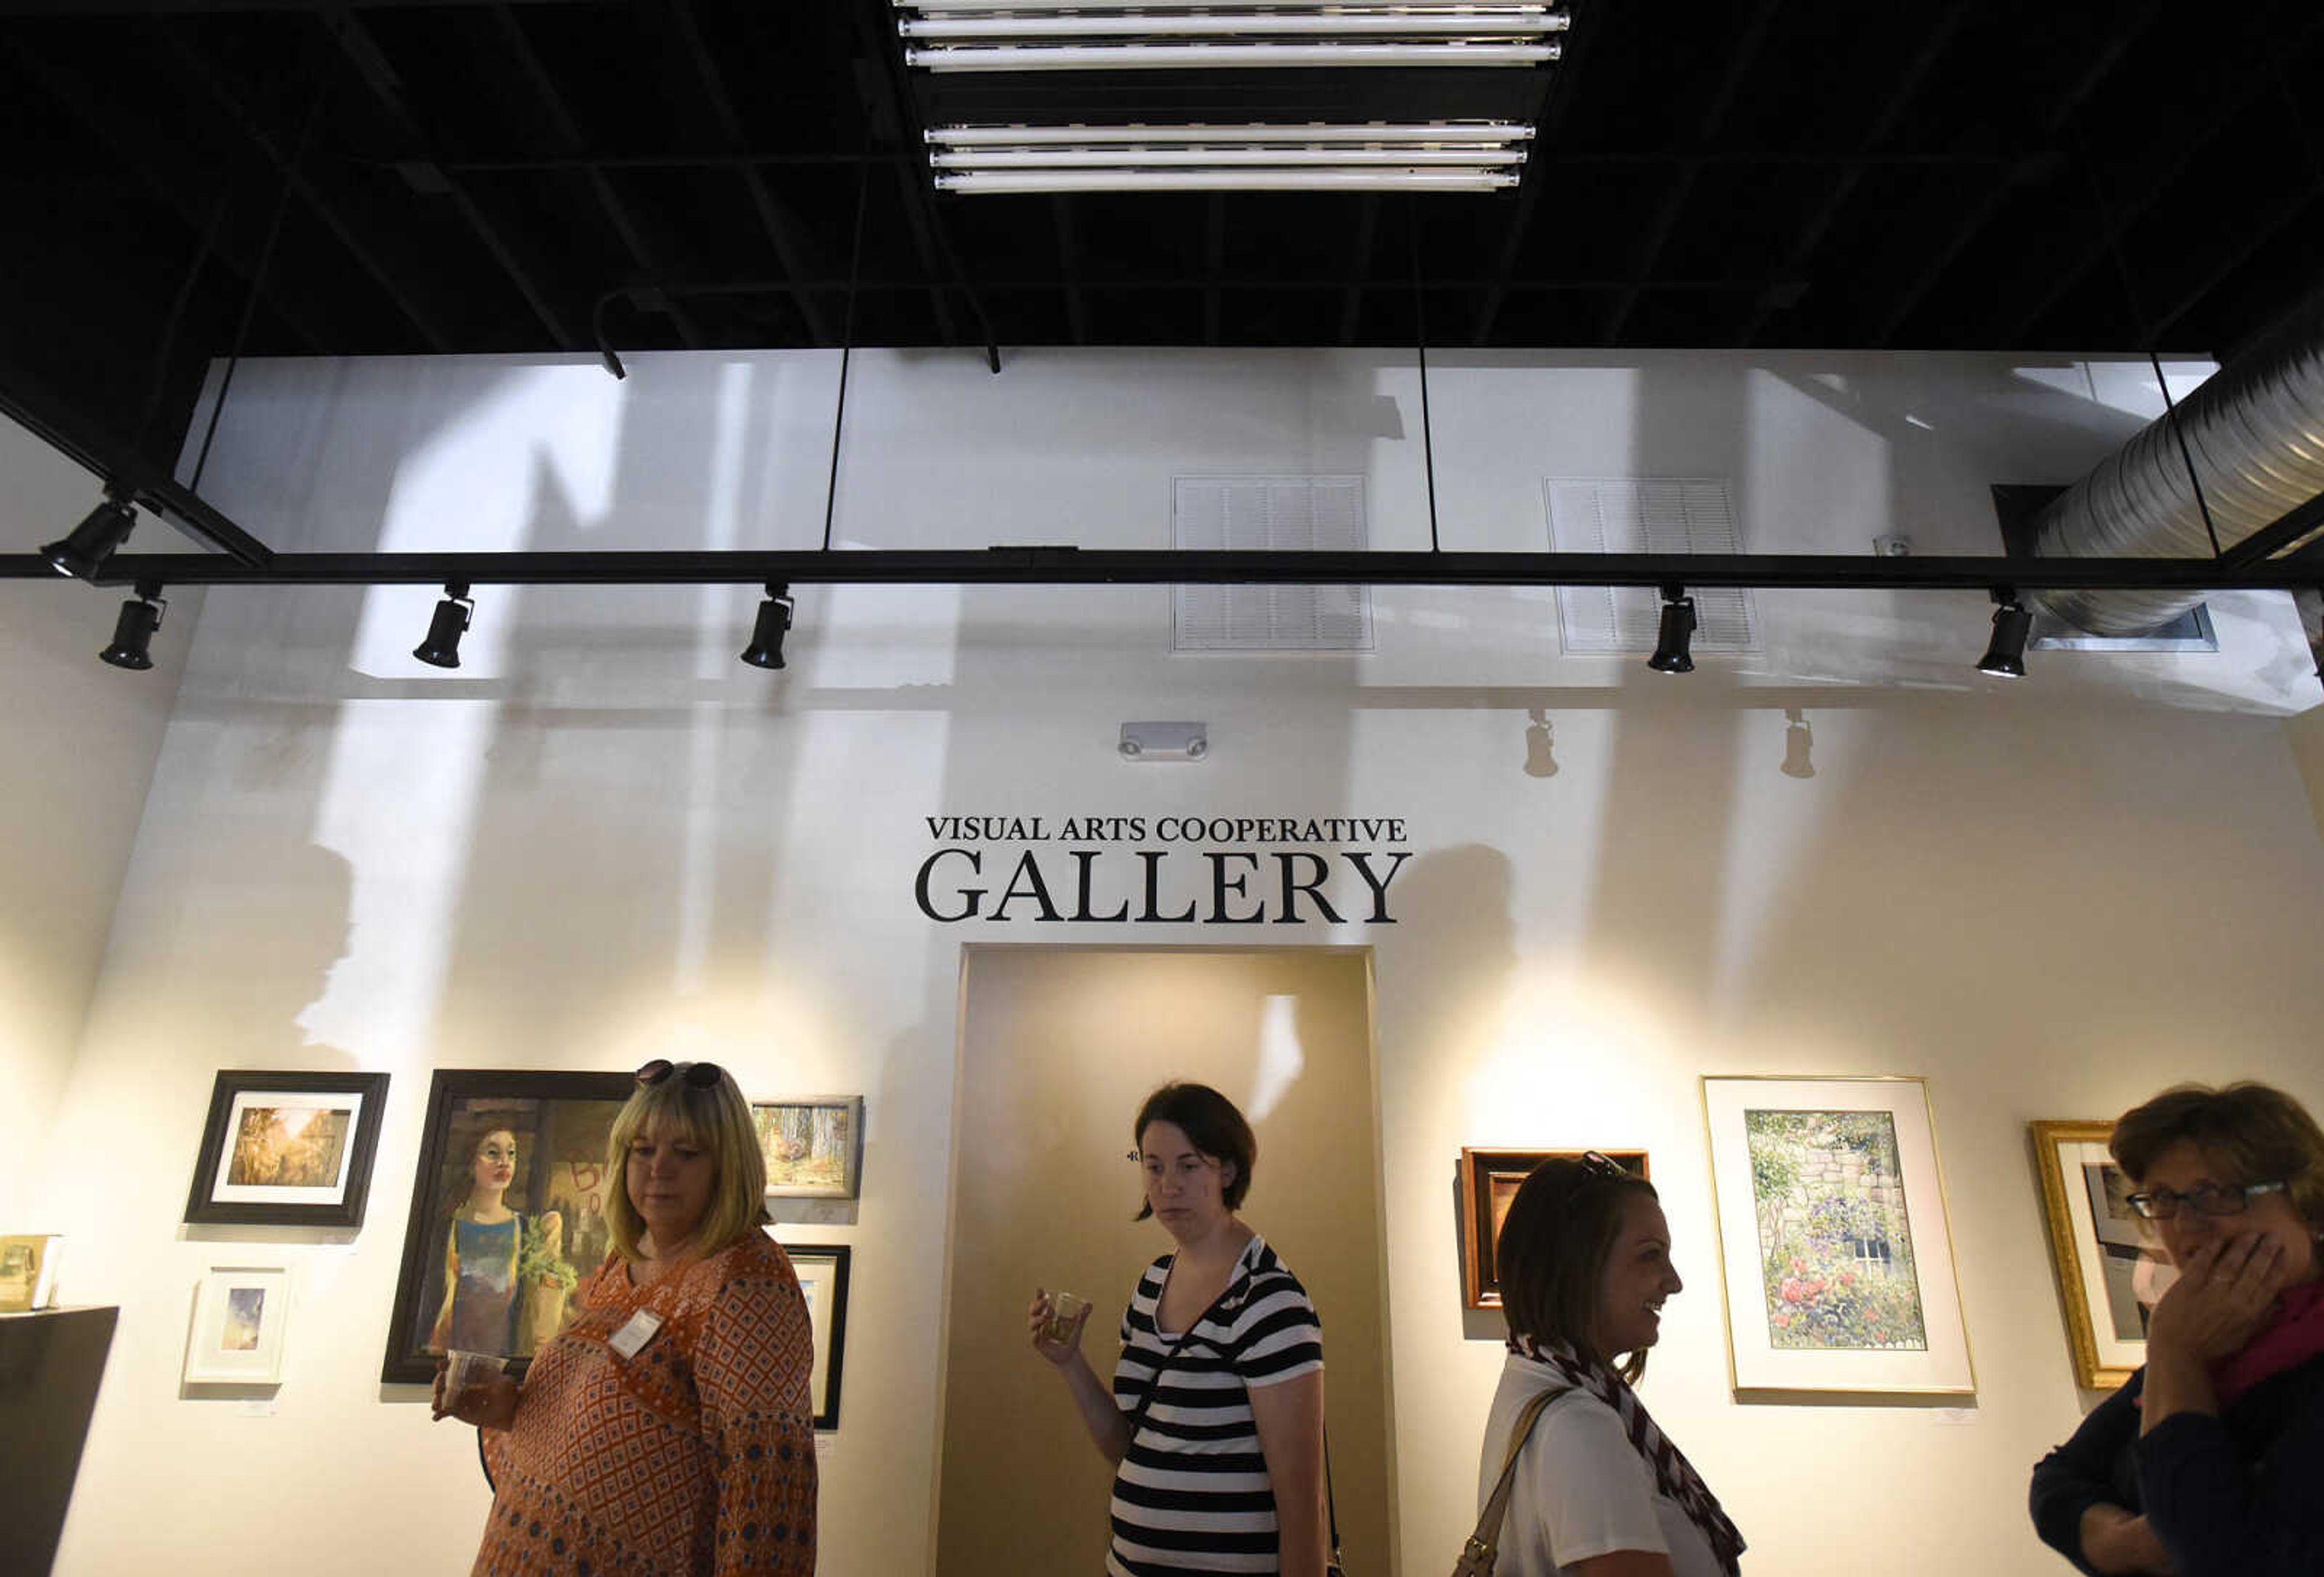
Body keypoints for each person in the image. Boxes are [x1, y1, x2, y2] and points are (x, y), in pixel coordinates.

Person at [434, 1060, 818, 1576]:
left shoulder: (747, 1280)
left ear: (728, 1165)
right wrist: (511, 1412)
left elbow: (769, 1489)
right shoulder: (625, 1260)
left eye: (686, 1153)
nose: (659, 1168)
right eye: (643, 1150)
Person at [1028, 1080, 1331, 1576]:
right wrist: (1071, 1364)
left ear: (1228, 1170)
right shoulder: (1152, 1283)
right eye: (1154, 1166)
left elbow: (1303, 1507)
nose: (1168, 1185)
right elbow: (1130, 1445)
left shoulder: (1266, 1297)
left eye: (1189, 1166)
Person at [2029, 1081, 2324, 1576]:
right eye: (2164, 1198)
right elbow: (2057, 1482)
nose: (2188, 1224)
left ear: (2309, 1205)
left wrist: (2175, 1350)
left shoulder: (2191, 1346)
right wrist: (2128, 1543)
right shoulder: (2214, 1342)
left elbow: (2223, 1559)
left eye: (2217, 1194)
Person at [1473, 1153, 1744, 1577]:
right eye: (1650, 1255)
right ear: (1579, 1266)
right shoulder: (1580, 1424)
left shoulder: (1533, 1377)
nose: (1674, 1281)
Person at [426, 1125, 565, 1357]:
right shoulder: (447, 1228)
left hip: (505, 1361)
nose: (504, 1162)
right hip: (453, 1358)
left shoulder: (528, 1231)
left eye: (511, 1153)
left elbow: (544, 1307)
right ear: (471, 1163)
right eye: (492, 1153)